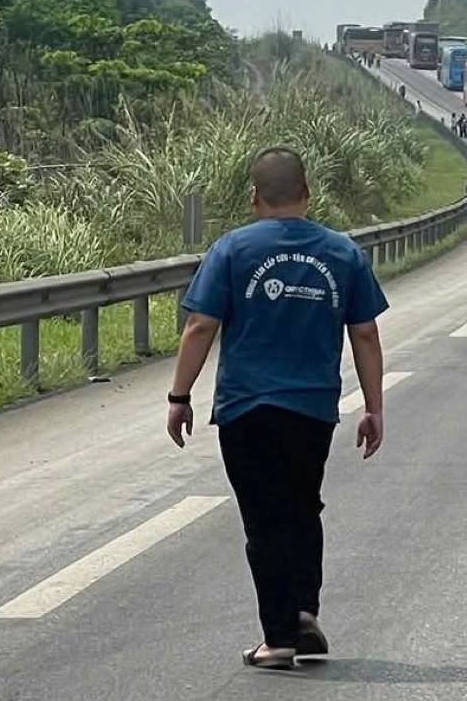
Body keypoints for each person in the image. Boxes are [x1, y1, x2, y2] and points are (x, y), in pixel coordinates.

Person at [167, 147, 389, 671]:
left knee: (265, 520)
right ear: (307, 193)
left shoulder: (231, 249)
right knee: (303, 507)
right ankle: (304, 613)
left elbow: (201, 326)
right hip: (313, 410)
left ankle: (278, 637)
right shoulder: (342, 253)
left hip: (247, 409)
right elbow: (365, 332)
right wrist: (374, 407)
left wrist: (179, 396)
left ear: (254, 197)